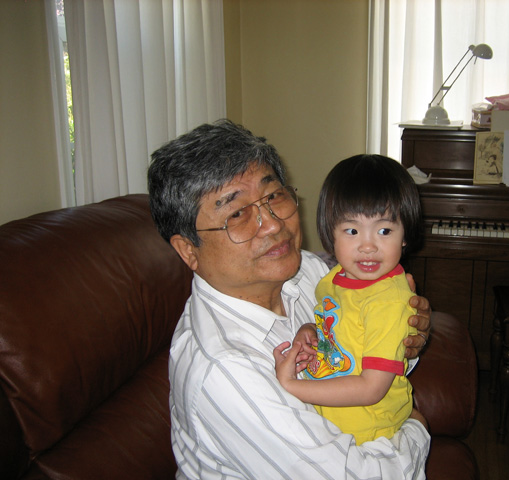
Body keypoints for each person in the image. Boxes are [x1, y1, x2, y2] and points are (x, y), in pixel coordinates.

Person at [147, 119, 432, 479]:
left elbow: (370, 355)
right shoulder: (224, 370)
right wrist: (417, 428)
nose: (272, 224)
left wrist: (405, 339)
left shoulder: (308, 272)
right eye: (236, 214)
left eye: (274, 196)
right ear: (188, 250)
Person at [273, 154, 422, 445]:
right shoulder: (334, 279)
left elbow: (371, 389)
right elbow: (343, 326)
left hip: (370, 434)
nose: (368, 246)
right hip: (330, 422)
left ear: (405, 236)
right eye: (352, 231)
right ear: (331, 232)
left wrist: (291, 386)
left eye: (385, 230)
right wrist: (312, 329)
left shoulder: (389, 301)